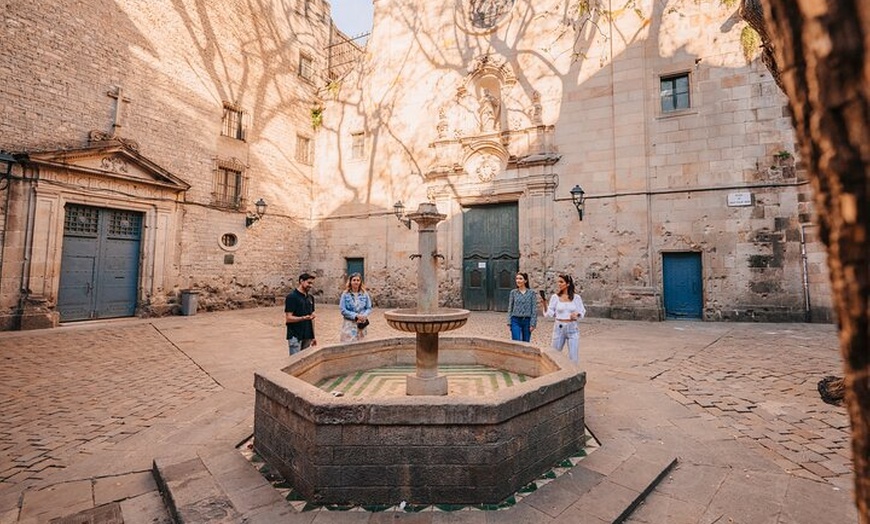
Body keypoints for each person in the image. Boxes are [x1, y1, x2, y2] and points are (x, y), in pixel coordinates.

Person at [542, 274, 586, 364]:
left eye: (561, 282)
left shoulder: (576, 298)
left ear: (568, 284)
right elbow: (549, 313)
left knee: (574, 357)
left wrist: (577, 314)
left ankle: (574, 372)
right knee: (555, 354)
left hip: (572, 328)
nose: (559, 284)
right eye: (558, 282)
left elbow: (582, 311)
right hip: (559, 327)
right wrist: (544, 304)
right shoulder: (555, 297)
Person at [285, 272, 316, 355]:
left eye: (312, 283)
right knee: (295, 361)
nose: (311, 285)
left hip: (307, 335)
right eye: (309, 283)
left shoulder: (310, 298)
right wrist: (303, 318)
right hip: (295, 335)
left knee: (305, 360)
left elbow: (312, 318)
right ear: (301, 281)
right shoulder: (292, 297)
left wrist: (313, 336)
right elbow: (288, 318)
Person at [339, 272, 373, 342]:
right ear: (350, 282)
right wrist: (356, 316)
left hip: (361, 323)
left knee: (361, 343)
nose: (356, 282)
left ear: (360, 282)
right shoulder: (345, 294)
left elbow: (369, 308)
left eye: (358, 280)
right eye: (354, 280)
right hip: (349, 324)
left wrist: (363, 316)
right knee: (348, 343)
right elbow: (343, 310)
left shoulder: (365, 294)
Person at [506, 272, 538, 342]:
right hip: (515, 320)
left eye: (520, 279)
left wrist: (533, 324)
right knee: (516, 341)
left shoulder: (531, 293)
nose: (518, 280)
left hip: (527, 321)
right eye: (517, 279)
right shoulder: (513, 293)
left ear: (525, 281)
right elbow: (510, 307)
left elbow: (534, 309)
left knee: (525, 342)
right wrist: (509, 322)